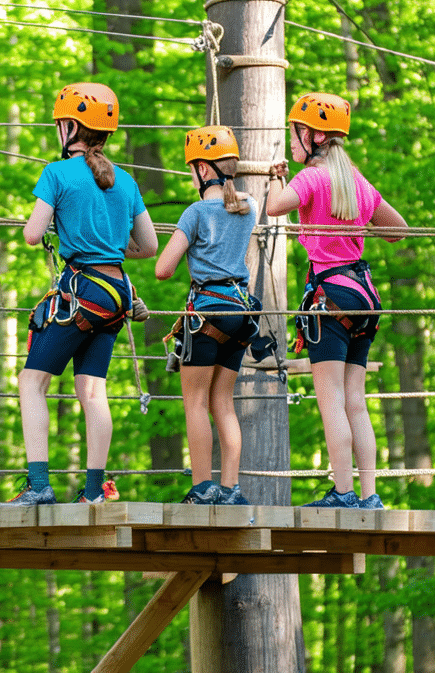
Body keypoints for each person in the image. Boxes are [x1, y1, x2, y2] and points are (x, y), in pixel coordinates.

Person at [6, 83, 157, 506]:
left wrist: (66, 227)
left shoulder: (57, 174)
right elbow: (148, 246)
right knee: (92, 389)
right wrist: (109, 245)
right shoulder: (125, 181)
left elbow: (32, 234)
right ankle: (94, 491)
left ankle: (39, 485)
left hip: (83, 290)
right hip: (117, 293)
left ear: (70, 128)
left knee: (31, 382)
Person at [267, 92, 406, 509]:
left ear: (312, 135)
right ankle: (369, 494)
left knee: (331, 401)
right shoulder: (355, 180)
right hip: (364, 294)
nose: (291, 139)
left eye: (295, 132)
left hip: (330, 297)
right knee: (355, 402)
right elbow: (398, 230)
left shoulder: (310, 178)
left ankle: (343, 493)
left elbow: (274, 207)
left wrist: (276, 178)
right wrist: (355, 222)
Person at [155, 126, 260, 505]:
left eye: (191, 170)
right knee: (223, 402)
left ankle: (202, 488)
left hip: (207, 314)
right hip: (240, 314)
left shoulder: (196, 213)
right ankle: (230, 489)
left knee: (196, 401)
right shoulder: (248, 207)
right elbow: (247, 200)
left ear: (202, 169)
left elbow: (163, 269)